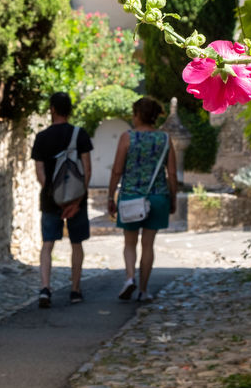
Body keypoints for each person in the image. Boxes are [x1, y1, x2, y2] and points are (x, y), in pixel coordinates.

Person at [107, 96, 178, 303]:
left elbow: (117, 170)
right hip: (157, 197)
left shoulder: (127, 138)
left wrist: (111, 196)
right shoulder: (165, 139)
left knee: (130, 243)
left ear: (138, 115)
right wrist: (172, 198)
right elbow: (172, 174)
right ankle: (143, 290)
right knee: (148, 244)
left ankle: (130, 278)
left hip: (131, 197)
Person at [31, 92, 93, 307]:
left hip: (50, 200)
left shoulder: (42, 137)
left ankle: (45, 288)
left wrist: (54, 195)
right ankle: (75, 290)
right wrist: (76, 200)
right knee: (77, 243)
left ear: (52, 109)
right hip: (77, 199)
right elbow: (87, 170)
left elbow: (40, 172)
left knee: (47, 244)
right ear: (69, 110)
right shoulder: (80, 135)